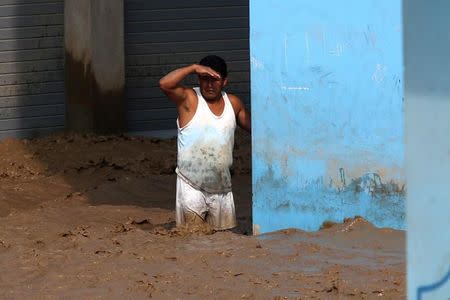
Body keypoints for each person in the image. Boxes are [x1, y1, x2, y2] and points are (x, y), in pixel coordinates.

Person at [159, 55, 251, 231]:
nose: (209, 85)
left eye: (214, 80)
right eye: (204, 79)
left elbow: (259, 131)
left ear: (224, 81)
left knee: (223, 243)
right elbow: (164, 84)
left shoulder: (234, 104)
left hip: (222, 188)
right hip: (191, 187)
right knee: (192, 241)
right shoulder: (190, 99)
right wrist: (193, 68)